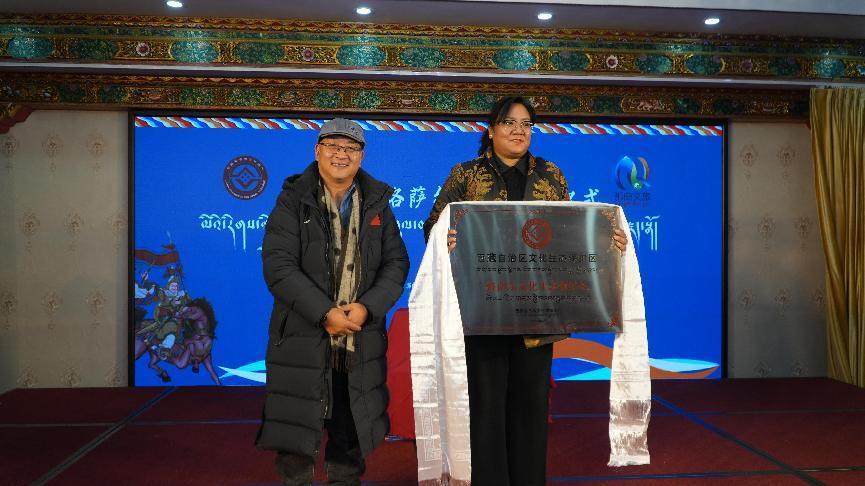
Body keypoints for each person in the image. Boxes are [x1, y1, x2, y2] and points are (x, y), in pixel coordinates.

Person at [423, 96, 628, 486]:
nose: (518, 131)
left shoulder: (551, 175)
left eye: (526, 124)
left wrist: (608, 240)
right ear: (491, 130)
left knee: (531, 409)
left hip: (539, 313)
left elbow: (570, 233)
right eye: (509, 122)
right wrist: (443, 238)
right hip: (483, 313)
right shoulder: (465, 174)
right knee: (485, 408)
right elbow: (433, 226)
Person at [256, 118, 409, 485]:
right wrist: (324, 313)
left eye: (351, 148)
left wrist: (368, 307)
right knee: (297, 431)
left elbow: (396, 263)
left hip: (358, 339)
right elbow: (279, 267)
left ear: (362, 156)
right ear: (317, 151)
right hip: (303, 339)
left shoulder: (377, 203)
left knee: (350, 429)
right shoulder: (293, 199)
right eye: (333, 146)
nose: (341, 154)